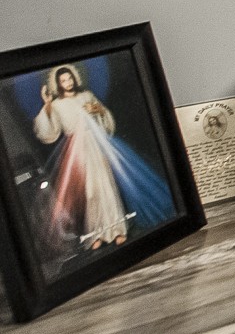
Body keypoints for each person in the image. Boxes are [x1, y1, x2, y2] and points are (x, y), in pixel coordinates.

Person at [33, 62, 174, 263]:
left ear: (75, 78)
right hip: (77, 150)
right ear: (58, 83)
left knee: (107, 186)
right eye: (63, 80)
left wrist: (98, 110)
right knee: (91, 193)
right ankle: (97, 234)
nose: (68, 82)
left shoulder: (86, 96)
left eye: (70, 78)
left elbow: (105, 117)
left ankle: (117, 229)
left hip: (97, 144)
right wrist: (47, 105)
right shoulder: (56, 105)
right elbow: (49, 133)